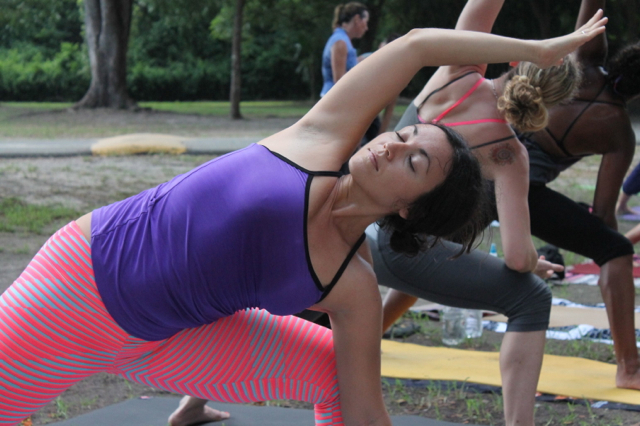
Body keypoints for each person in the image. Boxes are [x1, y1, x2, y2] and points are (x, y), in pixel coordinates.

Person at [0, 14, 606, 426]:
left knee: (332, 373)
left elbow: (367, 414)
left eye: (413, 161)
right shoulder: (317, 140)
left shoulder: (353, 288)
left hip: (165, 337)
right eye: (405, 134)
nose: (390, 145)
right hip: (81, 290)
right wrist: (540, 52)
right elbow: (419, 46)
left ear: (411, 208)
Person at [386, 0, 640, 395]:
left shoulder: (459, 73)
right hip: (497, 195)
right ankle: (629, 366)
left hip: (407, 208)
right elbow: (603, 213)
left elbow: (482, 9)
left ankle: (371, 329)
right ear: (553, 103)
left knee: (435, 243)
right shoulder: (610, 134)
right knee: (613, 250)